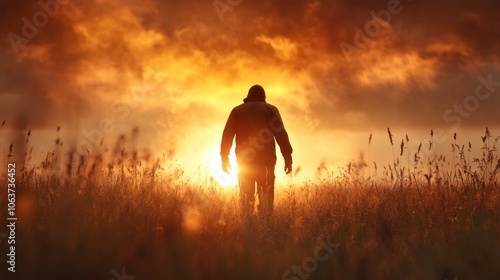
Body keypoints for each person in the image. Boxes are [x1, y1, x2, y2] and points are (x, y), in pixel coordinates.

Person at [220, 85, 293, 221]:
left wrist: (224, 158)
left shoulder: (237, 111)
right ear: (263, 96)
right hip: (266, 162)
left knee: (246, 198)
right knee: (266, 198)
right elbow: (281, 134)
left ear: (248, 96)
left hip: (244, 163)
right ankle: (265, 228)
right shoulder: (271, 109)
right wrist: (287, 157)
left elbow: (227, 135)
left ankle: (247, 227)